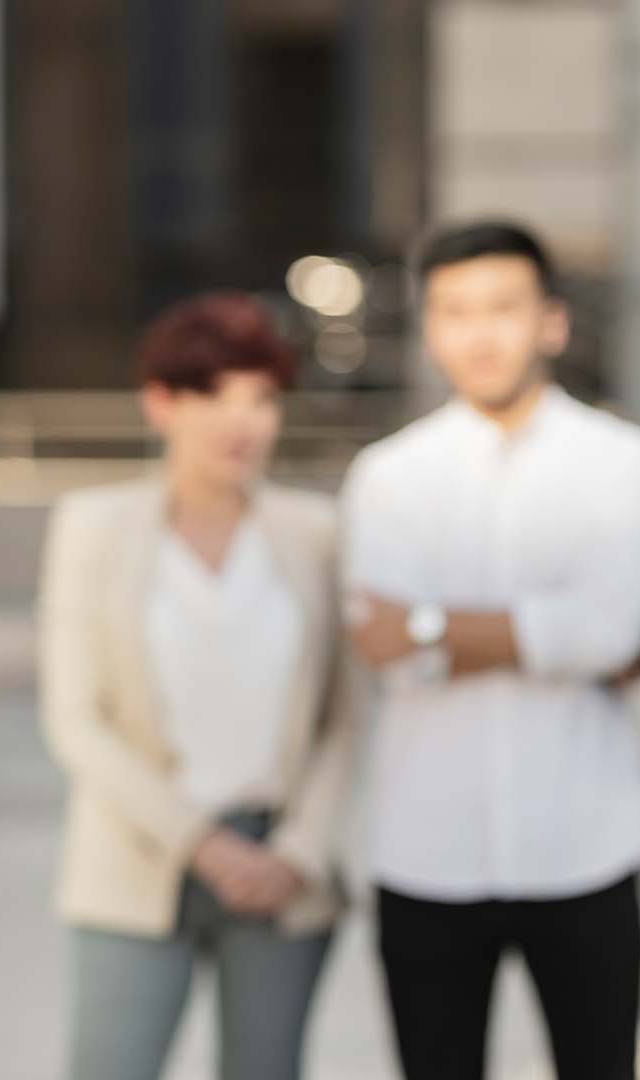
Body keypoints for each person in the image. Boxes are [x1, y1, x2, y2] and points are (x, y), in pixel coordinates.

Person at [341, 220, 640, 1080]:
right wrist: (553, 632)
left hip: (586, 846)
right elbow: (382, 644)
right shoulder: (387, 476)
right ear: (430, 329)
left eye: (502, 307)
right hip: (425, 852)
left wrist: (431, 622)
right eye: (454, 311)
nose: (479, 332)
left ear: (552, 322)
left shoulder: (627, 464)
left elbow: (611, 630)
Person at [38, 293, 359, 1080]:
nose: (240, 422)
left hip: (283, 873)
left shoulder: (314, 533)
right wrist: (207, 848)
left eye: (260, 398)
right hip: (137, 862)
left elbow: (348, 717)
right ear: (161, 404)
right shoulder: (93, 527)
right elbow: (77, 721)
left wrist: (297, 850)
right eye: (212, 396)